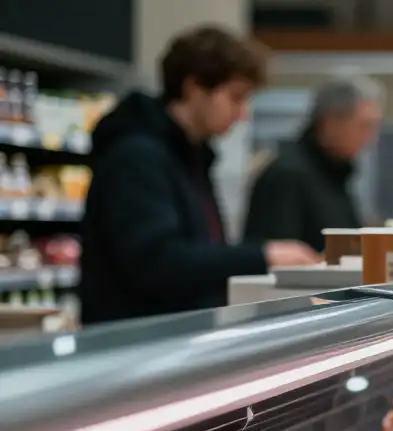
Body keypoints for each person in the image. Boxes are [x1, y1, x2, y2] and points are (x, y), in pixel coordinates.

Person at [79, 26, 319, 325]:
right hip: (136, 348)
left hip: (176, 341)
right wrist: (263, 255)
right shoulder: (137, 157)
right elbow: (159, 263)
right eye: (235, 97)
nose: (243, 113)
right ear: (194, 88)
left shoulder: (192, 157)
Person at [243, 74, 383, 251]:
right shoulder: (287, 174)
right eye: (365, 126)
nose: (371, 137)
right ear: (331, 121)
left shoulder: (335, 173)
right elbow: (279, 260)